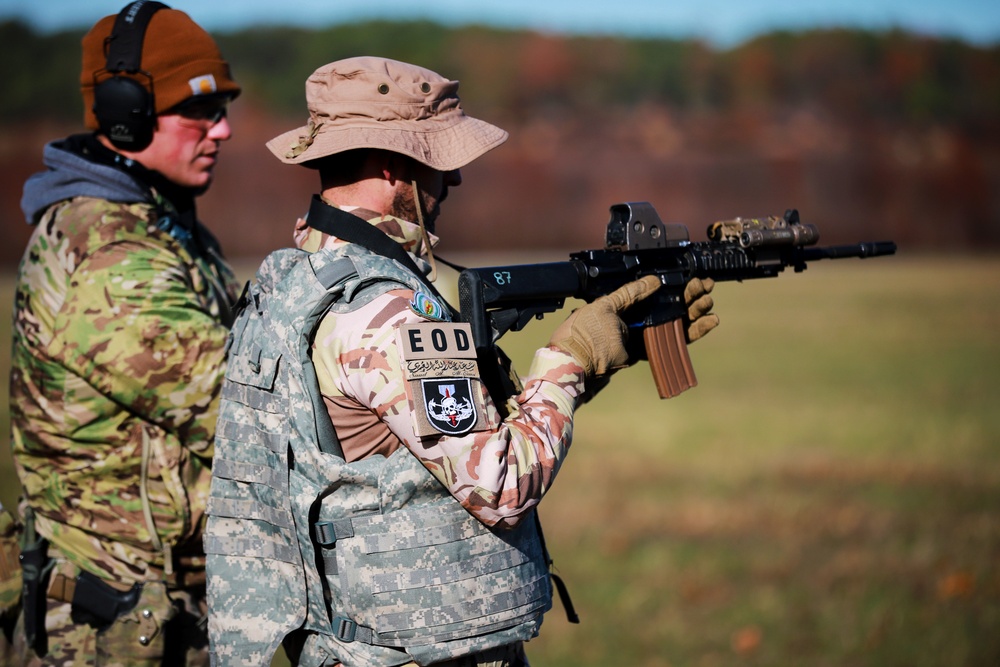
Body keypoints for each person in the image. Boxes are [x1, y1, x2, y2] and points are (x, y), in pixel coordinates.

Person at [205, 56, 718, 667]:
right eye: (439, 163)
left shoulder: (293, 282)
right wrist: (568, 360)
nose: (452, 182)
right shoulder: (387, 314)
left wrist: (601, 360)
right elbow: (499, 482)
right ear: (395, 166)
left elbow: (420, 446)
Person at [8, 2, 241, 664]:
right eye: (197, 110)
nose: (221, 129)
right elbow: (247, 415)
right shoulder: (110, 254)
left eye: (222, 107)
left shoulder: (164, 229)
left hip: (159, 612)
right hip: (108, 631)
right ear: (124, 115)